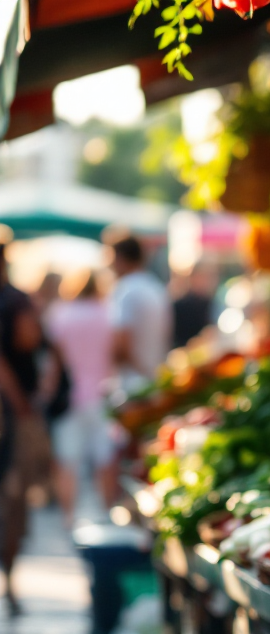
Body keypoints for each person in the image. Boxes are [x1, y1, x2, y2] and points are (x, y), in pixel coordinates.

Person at [0, 228, 52, 613]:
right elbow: (28, 341)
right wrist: (21, 401)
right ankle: (10, 581)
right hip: (9, 416)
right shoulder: (15, 300)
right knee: (12, 499)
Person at [44, 270, 117, 526]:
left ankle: (69, 517)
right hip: (102, 394)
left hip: (70, 397)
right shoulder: (106, 313)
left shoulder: (61, 314)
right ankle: (107, 511)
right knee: (104, 457)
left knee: (67, 460)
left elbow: (54, 361)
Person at [105, 232, 170, 392]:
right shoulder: (156, 287)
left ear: (119, 258)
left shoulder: (124, 290)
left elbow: (121, 345)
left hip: (132, 384)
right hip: (153, 378)